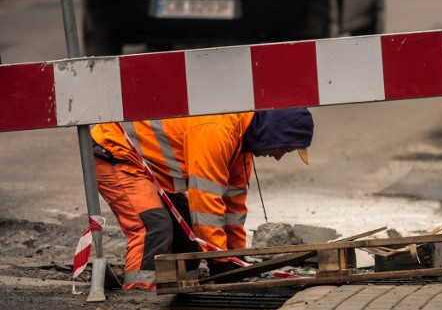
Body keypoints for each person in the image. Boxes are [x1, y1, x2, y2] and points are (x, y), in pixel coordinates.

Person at [91, 108, 314, 289]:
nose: (277, 157)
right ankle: (139, 295)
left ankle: (182, 287)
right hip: (115, 154)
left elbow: (232, 209)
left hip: (147, 166)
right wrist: (219, 262)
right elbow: (205, 202)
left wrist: (235, 259)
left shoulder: (240, 146)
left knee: (190, 235)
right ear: (273, 132)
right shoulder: (216, 131)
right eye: (284, 148)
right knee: (154, 228)